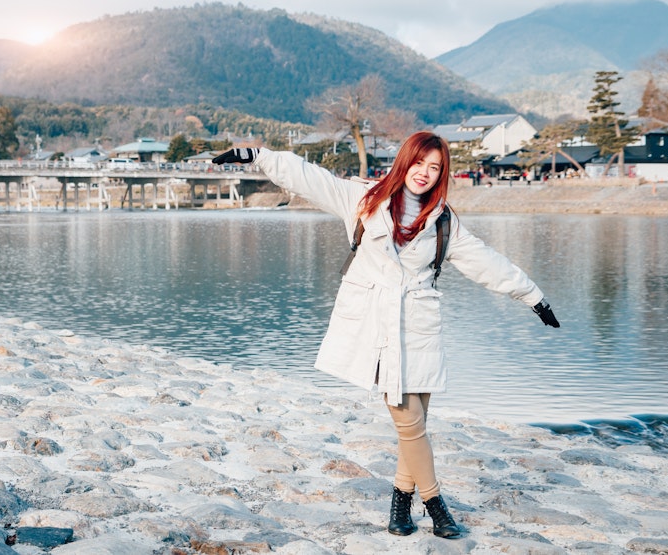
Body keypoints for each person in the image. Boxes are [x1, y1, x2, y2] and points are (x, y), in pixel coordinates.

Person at [212, 132, 560, 540]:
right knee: (409, 423)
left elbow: (486, 262)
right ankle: (435, 504)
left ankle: (399, 504)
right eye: (419, 164)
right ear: (404, 162)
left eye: (435, 168)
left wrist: (532, 296)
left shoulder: (444, 220)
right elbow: (309, 177)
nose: (425, 174)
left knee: (416, 424)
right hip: (376, 325)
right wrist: (259, 156)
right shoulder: (364, 199)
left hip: (420, 326)